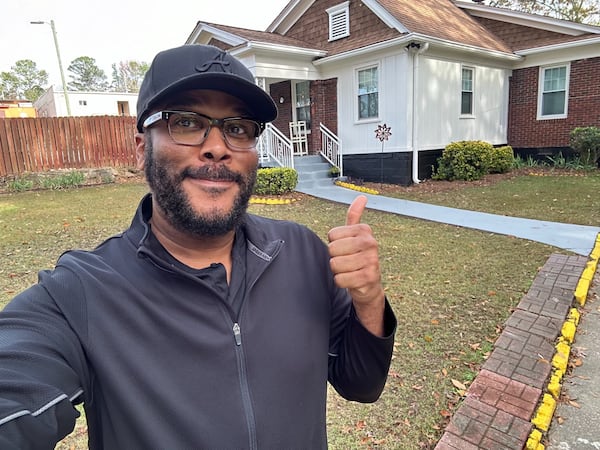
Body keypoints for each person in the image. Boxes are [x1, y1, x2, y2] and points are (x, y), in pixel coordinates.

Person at [0, 44, 396, 449]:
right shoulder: (82, 293)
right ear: (142, 148)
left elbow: (361, 385)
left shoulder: (302, 253)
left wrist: (368, 300)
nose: (218, 146)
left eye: (238, 128)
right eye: (187, 122)